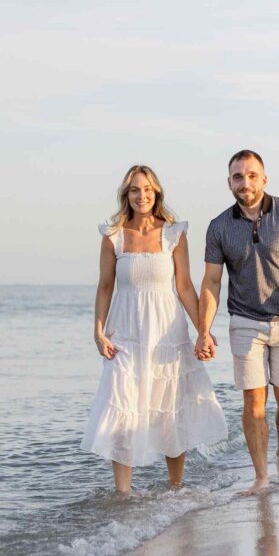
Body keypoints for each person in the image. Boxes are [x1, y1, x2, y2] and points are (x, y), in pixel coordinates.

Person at [82, 164, 228, 496]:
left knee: (170, 407)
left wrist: (203, 330)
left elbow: (186, 288)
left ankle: (175, 489)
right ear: (126, 194)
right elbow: (105, 286)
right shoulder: (114, 236)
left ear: (156, 192)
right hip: (126, 333)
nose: (141, 195)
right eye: (135, 189)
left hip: (167, 332)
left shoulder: (174, 234)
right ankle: (123, 495)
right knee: (122, 408)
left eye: (147, 189)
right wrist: (98, 332)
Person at [196, 149, 279, 494]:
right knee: (253, 404)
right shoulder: (219, 227)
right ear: (229, 183)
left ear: (264, 179)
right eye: (238, 176)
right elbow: (211, 282)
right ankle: (261, 477)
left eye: (252, 175)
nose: (245, 182)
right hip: (245, 322)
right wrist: (203, 330)